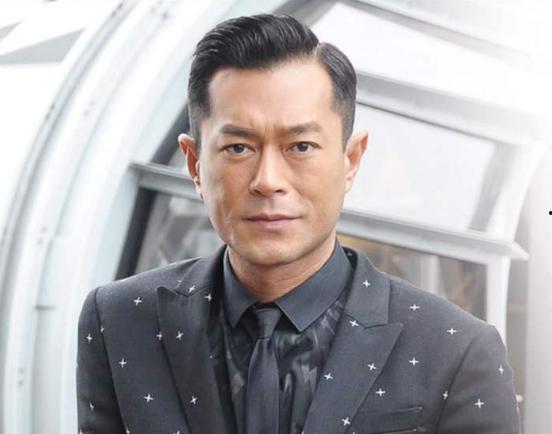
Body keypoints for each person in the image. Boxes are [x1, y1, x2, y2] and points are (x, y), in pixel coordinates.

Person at [76, 14, 520, 434]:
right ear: (194, 163)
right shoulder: (120, 321)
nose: (268, 180)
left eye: (301, 146)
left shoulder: (455, 350)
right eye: (238, 148)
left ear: (351, 159)